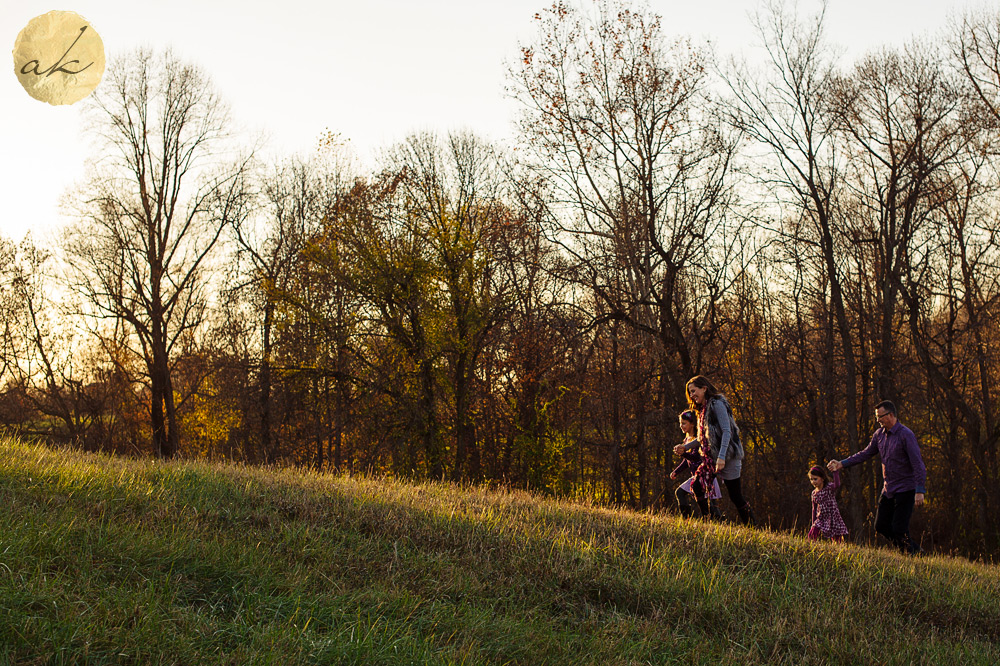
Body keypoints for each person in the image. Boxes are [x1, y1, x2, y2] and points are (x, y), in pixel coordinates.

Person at [827, 400, 926, 554]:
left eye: (880, 416)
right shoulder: (879, 435)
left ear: (891, 415)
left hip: (906, 489)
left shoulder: (906, 435)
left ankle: (912, 554)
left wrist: (920, 490)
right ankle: (913, 551)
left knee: (899, 528)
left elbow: (918, 464)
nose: (878, 420)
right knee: (880, 526)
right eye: (876, 417)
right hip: (888, 489)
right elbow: (865, 453)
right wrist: (842, 464)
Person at [675, 375, 756, 525]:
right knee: (698, 486)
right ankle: (709, 521)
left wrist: (722, 457)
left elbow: (727, 431)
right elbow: (701, 438)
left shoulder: (717, 404)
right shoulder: (701, 410)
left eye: (694, 391)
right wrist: (685, 447)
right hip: (710, 458)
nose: (692, 395)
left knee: (735, 496)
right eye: (690, 393)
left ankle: (752, 526)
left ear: (704, 388)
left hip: (728, 456)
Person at [671, 410, 723, 519]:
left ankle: (716, 521)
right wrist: (676, 471)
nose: (681, 426)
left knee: (711, 504)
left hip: (706, 475)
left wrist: (683, 453)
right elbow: (687, 462)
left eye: (684, 423)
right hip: (695, 477)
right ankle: (687, 519)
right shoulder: (686, 440)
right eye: (680, 423)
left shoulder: (698, 440)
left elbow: (695, 457)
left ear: (692, 424)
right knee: (680, 492)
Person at [807, 464, 848, 542]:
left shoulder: (829, 488)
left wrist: (835, 471)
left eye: (815, 479)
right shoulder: (814, 493)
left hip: (833, 516)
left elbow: (837, 485)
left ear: (822, 478)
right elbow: (814, 509)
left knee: (836, 537)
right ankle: (810, 548)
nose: (813, 482)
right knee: (812, 534)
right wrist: (813, 523)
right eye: (811, 479)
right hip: (821, 518)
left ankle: (839, 550)